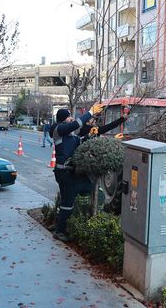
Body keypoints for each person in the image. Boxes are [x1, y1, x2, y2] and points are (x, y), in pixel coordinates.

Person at [51, 103, 105, 242]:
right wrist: (90, 112)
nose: (71, 118)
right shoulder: (59, 130)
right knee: (67, 202)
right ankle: (59, 231)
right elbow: (75, 125)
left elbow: (80, 142)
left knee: (68, 199)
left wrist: (91, 135)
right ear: (64, 119)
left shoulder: (71, 136)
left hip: (71, 173)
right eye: (69, 117)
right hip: (64, 173)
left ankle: (59, 224)